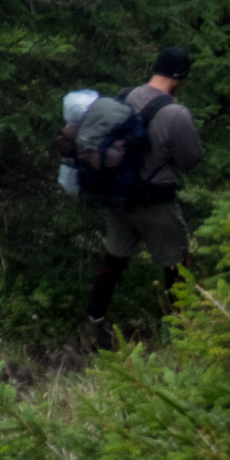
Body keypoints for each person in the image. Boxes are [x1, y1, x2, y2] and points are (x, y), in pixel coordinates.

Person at [84, 46, 204, 348]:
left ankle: (92, 327)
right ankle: (182, 336)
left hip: (117, 198)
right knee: (177, 265)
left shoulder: (124, 96)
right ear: (180, 78)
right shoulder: (176, 112)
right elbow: (190, 159)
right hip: (154, 202)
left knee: (113, 261)